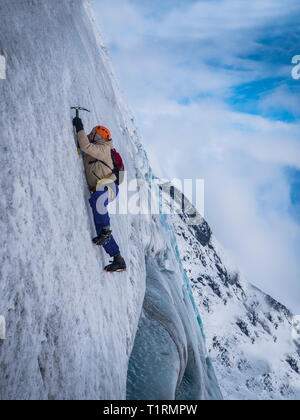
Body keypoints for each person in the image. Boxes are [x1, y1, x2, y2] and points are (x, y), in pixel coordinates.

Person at [73, 117, 126, 273]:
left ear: (99, 136)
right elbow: (83, 149)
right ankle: (118, 259)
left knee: (98, 201)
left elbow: (85, 145)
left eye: (92, 133)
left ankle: (106, 232)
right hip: (101, 188)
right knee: (99, 225)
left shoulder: (104, 149)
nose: (89, 134)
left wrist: (79, 126)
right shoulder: (97, 150)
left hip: (109, 186)